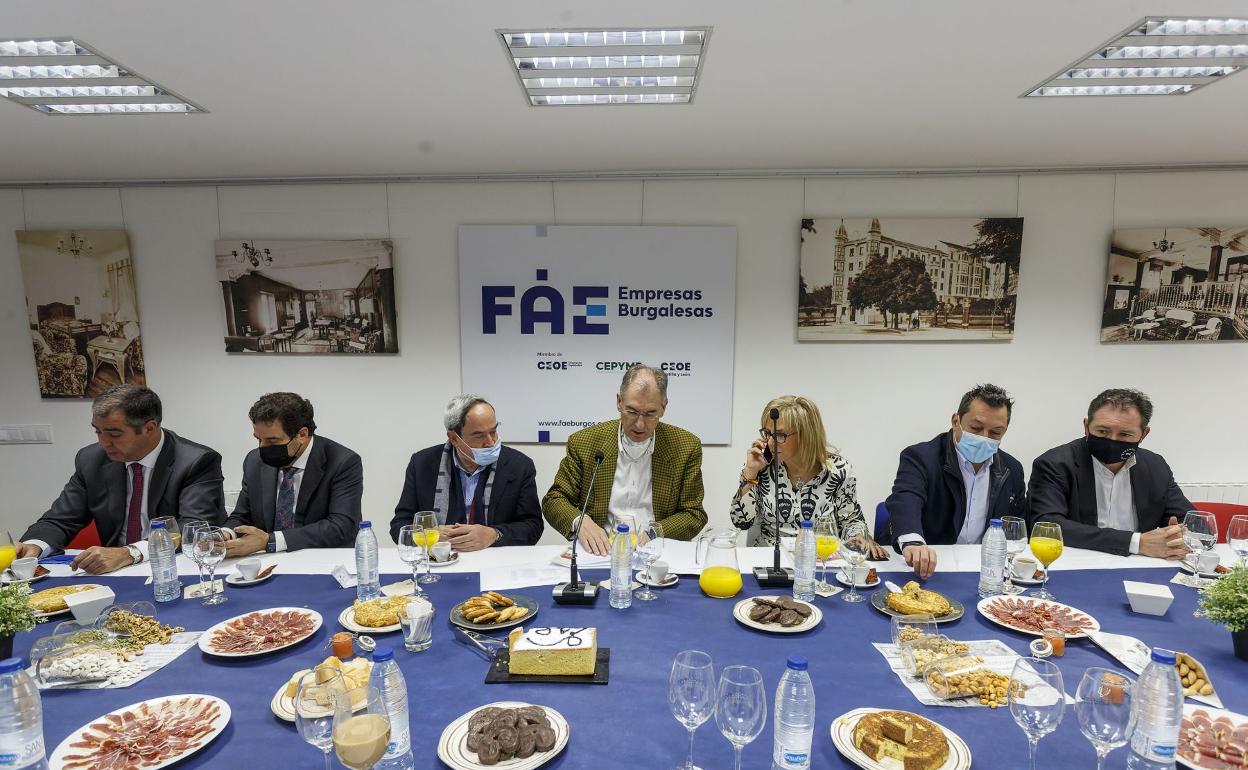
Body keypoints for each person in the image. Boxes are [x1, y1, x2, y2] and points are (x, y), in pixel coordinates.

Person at [13, 384, 224, 574]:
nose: (104, 443)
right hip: (113, 572)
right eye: (98, 432)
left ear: (149, 428)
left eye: (114, 434)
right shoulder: (91, 460)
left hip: (176, 568)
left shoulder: (196, 461)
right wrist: (35, 545)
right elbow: (61, 519)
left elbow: (193, 528)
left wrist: (130, 553)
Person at [543, 364, 708, 556]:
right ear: (619, 402)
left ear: (663, 408)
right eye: (632, 411)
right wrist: (580, 521)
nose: (639, 424)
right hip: (600, 553)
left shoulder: (685, 447)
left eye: (650, 414)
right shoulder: (585, 443)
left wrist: (656, 532)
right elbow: (554, 500)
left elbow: (694, 514)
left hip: (656, 554)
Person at [885, 384, 1028, 578]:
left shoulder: (1012, 469)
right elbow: (905, 499)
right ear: (955, 421)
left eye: (995, 433)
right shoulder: (921, 457)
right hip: (929, 567)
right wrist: (914, 543)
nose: (984, 438)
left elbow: (1016, 528)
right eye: (976, 428)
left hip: (982, 571)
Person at [1029, 388, 1191, 558]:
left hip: (1139, 566)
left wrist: (1179, 535)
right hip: (1076, 562)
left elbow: (1192, 522)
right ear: (1086, 426)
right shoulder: (1055, 464)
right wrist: (1137, 542)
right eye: (1103, 431)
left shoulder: (1156, 466)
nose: (1112, 441)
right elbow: (1046, 525)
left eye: (1125, 434)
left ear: (1143, 434)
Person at [730, 395, 885, 558]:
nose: (770, 443)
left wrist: (858, 537)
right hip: (770, 561)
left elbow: (851, 520)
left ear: (806, 434)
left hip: (821, 561)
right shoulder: (762, 467)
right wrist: (750, 473)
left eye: (780, 435)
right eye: (768, 434)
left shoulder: (839, 470)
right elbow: (741, 521)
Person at [391, 395, 543, 550]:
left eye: (493, 431)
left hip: (495, 560)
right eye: (479, 436)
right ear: (454, 439)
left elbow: (533, 527)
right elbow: (399, 526)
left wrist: (494, 534)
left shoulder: (519, 466)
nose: (490, 442)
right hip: (438, 562)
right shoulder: (422, 464)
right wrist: (427, 535)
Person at [222, 392, 362, 556]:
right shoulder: (254, 461)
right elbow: (243, 515)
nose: (262, 447)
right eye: (258, 439)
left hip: (322, 560)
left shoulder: (342, 462)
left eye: (272, 441)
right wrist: (224, 534)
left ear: (302, 434)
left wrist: (271, 540)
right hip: (267, 563)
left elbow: (341, 526)